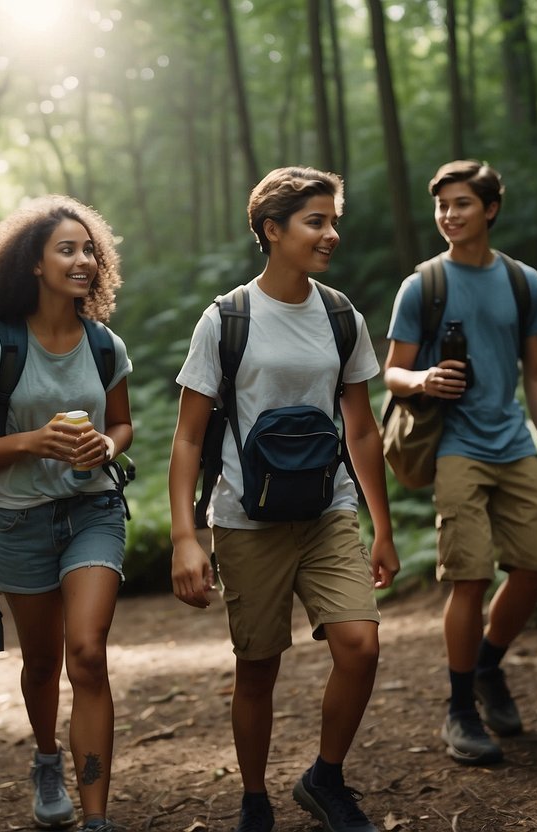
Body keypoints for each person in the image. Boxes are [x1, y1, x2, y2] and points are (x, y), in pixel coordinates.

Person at [169, 166, 399, 832]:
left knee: (358, 645)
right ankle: (252, 798)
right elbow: (187, 439)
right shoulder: (226, 320)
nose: (330, 234)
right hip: (246, 517)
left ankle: (324, 778)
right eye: (314, 221)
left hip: (327, 509)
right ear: (272, 230)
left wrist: (381, 526)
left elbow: (359, 427)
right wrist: (186, 535)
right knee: (258, 668)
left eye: (333, 221)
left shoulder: (339, 314)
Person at [383, 160, 537, 766]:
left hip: (514, 442)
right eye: (442, 205)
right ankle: (461, 709)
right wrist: (423, 379)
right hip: (455, 447)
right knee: (469, 576)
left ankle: (488, 664)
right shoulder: (423, 285)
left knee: (533, 566)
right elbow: (390, 370)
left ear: (489, 210)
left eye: (462, 204)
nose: (449, 215)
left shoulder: (523, 282)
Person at [0, 196, 133, 832]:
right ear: (34, 263)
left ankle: (96, 818)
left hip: (93, 510)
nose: (83, 260)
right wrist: (31, 440)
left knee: (87, 653)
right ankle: (47, 757)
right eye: (67, 250)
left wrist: (106, 444)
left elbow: (124, 423)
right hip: (19, 519)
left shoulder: (105, 345)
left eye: (89, 250)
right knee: (41, 663)